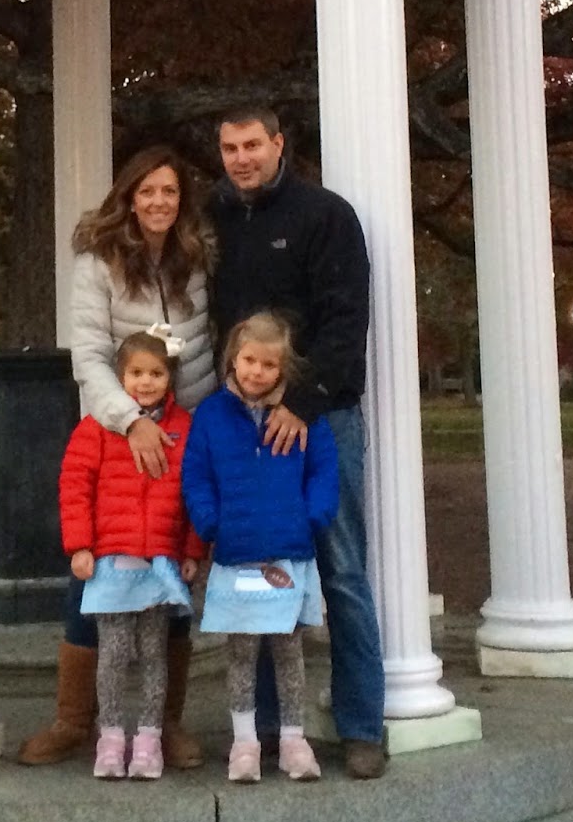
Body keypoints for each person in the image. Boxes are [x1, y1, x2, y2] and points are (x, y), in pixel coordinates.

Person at [19, 143, 218, 769]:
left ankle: (166, 724)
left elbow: (204, 346)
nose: (159, 202)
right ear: (129, 197)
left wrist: (189, 428)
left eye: (169, 191)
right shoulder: (99, 260)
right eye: (147, 190)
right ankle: (74, 720)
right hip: (114, 433)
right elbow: (88, 353)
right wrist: (131, 421)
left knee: (172, 576)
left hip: (182, 433)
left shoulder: (195, 257)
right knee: (94, 579)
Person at [208, 106, 388, 780]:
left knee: (342, 571)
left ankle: (362, 726)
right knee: (257, 573)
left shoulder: (325, 216)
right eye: (230, 148)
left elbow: (346, 322)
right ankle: (262, 732)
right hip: (245, 424)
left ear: (279, 144)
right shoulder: (218, 218)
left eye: (252, 145)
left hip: (322, 419)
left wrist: (300, 403)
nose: (242, 158)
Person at [183, 311, 339, 782]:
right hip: (237, 555)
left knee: (289, 652)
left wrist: (311, 516)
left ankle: (293, 740)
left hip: (287, 552)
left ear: (282, 369)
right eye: (249, 360)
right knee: (242, 654)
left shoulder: (301, 415)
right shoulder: (211, 415)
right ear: (234, 357)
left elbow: (323, 469)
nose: (257, 372)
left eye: (269, 365)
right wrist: (210, 522)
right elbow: (196, 474)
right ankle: (245, 742)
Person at [58, 332, 204, 780]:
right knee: (114, 653)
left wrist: (192, 550)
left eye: (156, 373)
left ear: (170, 377)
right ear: (121, 377)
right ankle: (110, 737)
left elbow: (195, 494)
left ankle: (149, 739)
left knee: (155, 653)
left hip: (159, 562)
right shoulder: (97, 427)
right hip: (109, 562)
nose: (146, 382)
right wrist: (80, 545)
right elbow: (75, 488)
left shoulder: (185, 428)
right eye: (136, 372)